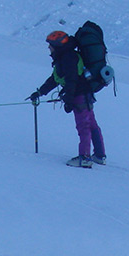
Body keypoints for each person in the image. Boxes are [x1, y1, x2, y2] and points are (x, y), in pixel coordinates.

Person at [27, 31, 106, 168]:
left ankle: (85, 158)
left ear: (57, 45)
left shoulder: (68, 58)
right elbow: (55, 79)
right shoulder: (64, 57)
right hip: (84, 94)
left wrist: (69, 100)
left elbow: (71, 80)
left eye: (50, 45)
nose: (48, 48)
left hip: (80, 95)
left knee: (84, 126)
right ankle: (99, 155)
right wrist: (40, 92)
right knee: (91, 124)